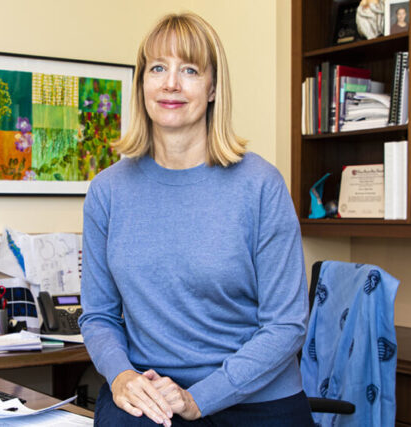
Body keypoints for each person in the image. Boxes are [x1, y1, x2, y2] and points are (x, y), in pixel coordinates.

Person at [78, 13, 313, 426]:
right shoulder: (107, 191)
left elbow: (286, 325)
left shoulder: (260, 185)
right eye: (157, 69)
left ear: (212, 88)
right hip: (151, 395)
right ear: (142, 85)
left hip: (254, 401)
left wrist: (198, 398)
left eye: (189, 69)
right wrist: (122, 377)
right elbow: (98, 315)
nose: (171, 83)